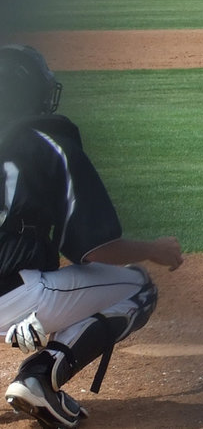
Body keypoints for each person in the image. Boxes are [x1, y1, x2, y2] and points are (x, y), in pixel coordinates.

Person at [0, 44, 183, 428]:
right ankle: (40, 376)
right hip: (14, 293)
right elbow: (96, 250)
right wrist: (154, 250)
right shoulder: (50, 142)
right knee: (138, 286)